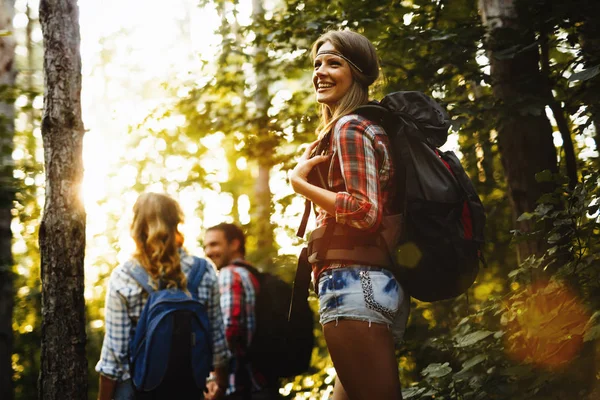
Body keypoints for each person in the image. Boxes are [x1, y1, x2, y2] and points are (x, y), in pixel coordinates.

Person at [288, 30, 410, 400]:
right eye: (317, 63)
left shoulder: (351, 127)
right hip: (363, 284)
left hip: (354, 286)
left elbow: (365, 212)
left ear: (357, 72)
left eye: (334, 63)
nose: (320, 72)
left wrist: (299, 183)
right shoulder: (354, 126)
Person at [96, 193, 230, 400]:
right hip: (189, 390)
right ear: (177, 222)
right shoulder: (204, 272)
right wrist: (220, 386)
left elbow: (113, 358)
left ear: (136, 226)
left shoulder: (124, 277)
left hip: (138, 392)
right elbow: (218, 341)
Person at [203, 223, 280, 400]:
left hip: (239, 384)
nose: (208, 251)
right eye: (206, 246)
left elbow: (229, 329)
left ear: (235, 244)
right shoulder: (252, 274)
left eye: (214, 244)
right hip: (263, 380)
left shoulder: (229, 275)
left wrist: (215, 376)